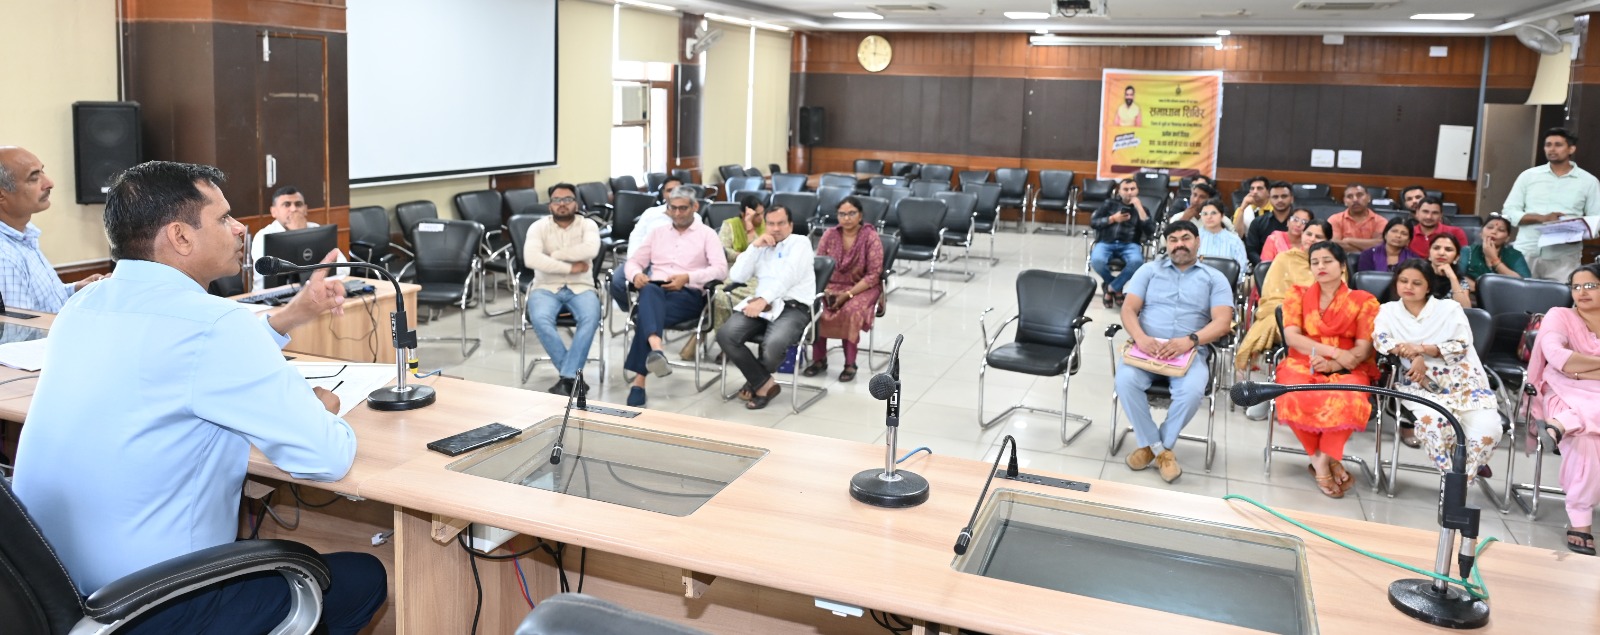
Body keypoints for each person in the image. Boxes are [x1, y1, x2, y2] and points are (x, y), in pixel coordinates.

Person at [10, 161, 385, 634]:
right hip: (156, 603)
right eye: (224, 218)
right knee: (364, 576)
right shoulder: (215, 327)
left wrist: (289, 316)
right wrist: (317, 409)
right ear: (181, 237)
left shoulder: (83, 305)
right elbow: (326, 458)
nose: (239, 229)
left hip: (53, 593)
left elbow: (180, 359)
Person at [1115, 221, 1234, 483]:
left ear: (1197, 241)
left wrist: (1190, 340)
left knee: (1191, 392)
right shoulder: (1148, 270)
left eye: (1185, 238)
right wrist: (1141, 338)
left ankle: (1153, 447)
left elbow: (1223, 322)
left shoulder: (1214, 278)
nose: (1179, 244)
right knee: (1124, 381)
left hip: (1189, 352)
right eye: (1173, 240)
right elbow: (1128, 309)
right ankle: (1161, 451)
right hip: (1146, 349)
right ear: (1166, 244)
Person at [1371, 260, 1501, 481]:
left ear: (1428, 286)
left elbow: (1461, 345)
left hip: (1465, 383)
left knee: (1488, 430)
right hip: (1421, 384)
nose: (1408, 287)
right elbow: (1381, 341)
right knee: (1435, 425)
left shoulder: (1449, 309)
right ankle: (1452, 481)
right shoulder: (1388, 311)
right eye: (1403, 281)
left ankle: (1463, 478)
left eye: (1416, 283)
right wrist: (1415, 356)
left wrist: (1421, 349)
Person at [1273, 240, 1380, 498]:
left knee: (1351, 399)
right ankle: (1324, 462)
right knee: (1292, 393)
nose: (1320, 266)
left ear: (1342, 265)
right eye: (1315, 262)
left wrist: (1335, 363)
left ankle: (1321, 462)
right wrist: (1332, 352)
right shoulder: (1297, 294)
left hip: (1348, 365)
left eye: (1327, 261)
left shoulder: (1364, 301)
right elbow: (1292, 338)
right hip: (1303, 361)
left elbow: (1363, 348)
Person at [621, 185, 728, 407]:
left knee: (646, 316)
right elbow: (633, 262)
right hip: (656, 291)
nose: (677, 213)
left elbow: (720, 270)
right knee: (649, 290)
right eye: (673, 208)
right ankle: (654, 352)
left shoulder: (707, 234)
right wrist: (636, 275)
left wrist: (688, 277)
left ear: (694, 207)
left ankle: (641, 381)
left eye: (683, 208)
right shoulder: (657, 233)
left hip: (688, 296)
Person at [1525, 263, 1600, 555]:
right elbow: (1558, 358)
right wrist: (1577, 371)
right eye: (1576, 286)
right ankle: (1581, 522)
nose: (1582, 292)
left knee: (1585, 434)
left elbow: (1571, 363)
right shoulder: (1559, 315)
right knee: (1586, 443)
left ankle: (1561, 424)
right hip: (1561, 391)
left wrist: (1580, 369)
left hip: (1579, 404)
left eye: (1590, 285)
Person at [715, 205, 815, 410]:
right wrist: (753, 248)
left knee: (773, 346)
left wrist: (763, 300)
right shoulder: (761, 246)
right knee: (726, 335)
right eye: (771, 224)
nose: (776, 228)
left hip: (793, 307)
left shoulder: (800, 243)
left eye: (781, 223)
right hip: (763, 306)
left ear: (790, 225)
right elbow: (737, 276)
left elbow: (788, 276)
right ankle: (764, 384)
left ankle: (755, 381)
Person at [1235, 219, 1331, 410]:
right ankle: (1278, 390)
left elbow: (1336, 299)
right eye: (1309, 234)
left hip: (1321, 321)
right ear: (1302, 235)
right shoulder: (1284, 259)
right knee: (1282, 323)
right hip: (1283, 315)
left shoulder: (1333, 263)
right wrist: (1296, 311)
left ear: (1328, 241)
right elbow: (1271, 295)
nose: (1312, 239)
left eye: (1318, 236)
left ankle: (1306, 394)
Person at [0, 146, 103, 312]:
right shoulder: (4, 257)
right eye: (34, 178)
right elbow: (21, 327)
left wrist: (77, 288)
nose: (49, 183)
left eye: (43, 172)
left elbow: (42, 302)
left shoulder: (24, 235)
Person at [523, 182, 602, 396]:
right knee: (540, 319)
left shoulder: (588, 225)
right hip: (545, 286)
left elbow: (591, 249)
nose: (562, 204)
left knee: (591, 317)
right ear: (550, 205)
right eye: (556, 200)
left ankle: (567, 378)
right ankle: (573, 377)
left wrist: (555, 256)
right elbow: (531, 259)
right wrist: (569, 267)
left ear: (576, 203)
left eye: (567, 199)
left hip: (582, 286)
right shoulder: (538, 227)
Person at [1502, 128, 1600, 281]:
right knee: (1518, 294)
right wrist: (1542, 218)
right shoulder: (1528, 176)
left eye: (1558, 145)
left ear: (1571, 149)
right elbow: (1509, 211)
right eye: (1548, 145)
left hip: (1564, 256)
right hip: (1526, 252)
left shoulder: (1588, 181)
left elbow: (1597, 220)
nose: (1552, 149)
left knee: (1560, 295)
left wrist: (1578, 234)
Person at [806, 196, 884, 382]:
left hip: (863, 287)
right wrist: (826, 290)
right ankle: (819, 359)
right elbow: (820, 265)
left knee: (850, 311)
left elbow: (873, 275)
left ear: (860, 215)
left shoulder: (870, 237)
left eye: (851, 213)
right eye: (842, 214)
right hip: (830, 285)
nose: (846, 218)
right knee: (817, 308)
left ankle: (850, 363)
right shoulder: (830, 235)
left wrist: (848, 294)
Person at [249, 185, 347, 291]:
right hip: (270, 296)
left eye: (298, 204)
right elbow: (268, 279)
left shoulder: (316, 229)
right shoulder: (263, 236)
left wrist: (301, 232)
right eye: (286, 205)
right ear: (274, 211)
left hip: (314, 292)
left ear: (305, 209)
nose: (294, 209)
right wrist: (296, 232)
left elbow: (344, 268)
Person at [610, 176, 684, 310]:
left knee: (651, 287)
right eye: (669, 190)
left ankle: (649, 311)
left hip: (668, 263)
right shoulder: (651, 213)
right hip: (643, 258)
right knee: (616, 282)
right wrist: (634, 262)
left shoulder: (693, 217)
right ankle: (635, 311)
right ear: (663, 194)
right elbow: (636, 236)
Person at [1089, 178, 1153, 308]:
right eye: (1126, 189)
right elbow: (1093, 223)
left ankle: (1110, 288)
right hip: (1106, 241)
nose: (1129, 192)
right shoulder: (1109, 204)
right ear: (1119, 191)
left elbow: (1150, 231)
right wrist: (1113, 218)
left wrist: (1139, 208)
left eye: (1132, 189)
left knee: (1137, 262)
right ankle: (1117, 288)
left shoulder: (1142, 209)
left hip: (1130, 243)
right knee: (1097, 261)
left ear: (1137, 191)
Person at [709, 194, 767, 335]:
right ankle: (723, 336)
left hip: (759, 274)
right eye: (756, 215)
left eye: (762, 213)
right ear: (743, 214)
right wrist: (741, 256)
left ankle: (748, 330)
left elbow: (763, 252)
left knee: (761, 295)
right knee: (720, 295)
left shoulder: (765, 226)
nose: (761, 218)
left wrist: (751, 230)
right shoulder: (730, 225)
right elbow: (723, 250)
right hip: (735, 273)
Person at [1461, 215, 1531, 288]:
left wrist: (1495, 260)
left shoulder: (1515, 255)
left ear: (1507, 238)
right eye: (1490, 227)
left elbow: (1525, 285)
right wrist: (1482, 290)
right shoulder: (1468, 251)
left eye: (1501, 230)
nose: (1494, 232)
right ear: (1481, 233)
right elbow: (1457, 277)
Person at [1245, 181, 1296, 265]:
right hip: (1266, 268)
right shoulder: (1258, 222)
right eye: (1275, 197)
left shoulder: (1300, 223)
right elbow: (1251, 251)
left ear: (1292, 199)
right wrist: (1265, 266)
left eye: (1284, 196)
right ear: (1269, 199)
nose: (1280, 200)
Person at [1194, 200, 1246, 279]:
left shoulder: (1234, 240)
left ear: (1222, 216)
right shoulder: (1193, 238)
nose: (1209, 217)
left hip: (1227, 283)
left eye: (1213, 213)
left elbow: (1242, 268)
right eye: (1204, 214)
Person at [1327, 183, 1385, 253]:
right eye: (1350, 196)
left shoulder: (1381, 221)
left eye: (1359, 195)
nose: (1355, 199)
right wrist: (1365, 249)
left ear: (1368, 198)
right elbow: (1334, 245)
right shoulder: (1335, 219)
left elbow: (1380, 245)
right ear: (1345, 201)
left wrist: (1349, 240)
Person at [1355, 216, 1422, 273]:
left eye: (1404, 233)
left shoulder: (1414, 259)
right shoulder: (1368, 255)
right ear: (1385, 234)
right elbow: (1365, 280)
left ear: (1409, 240)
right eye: (1394, 231)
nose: (1398, 236)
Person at [1426, 233, 1472, 310]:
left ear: (1457, 257)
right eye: (1436, 248)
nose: (1441, 253)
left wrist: (1452, 278)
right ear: (1429, 254)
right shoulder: (1418, 274)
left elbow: (1466, 309)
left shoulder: (1459, 281)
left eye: (1448, 249)